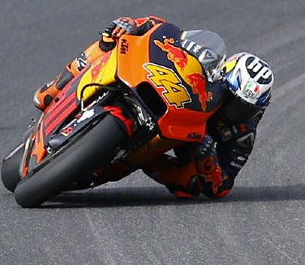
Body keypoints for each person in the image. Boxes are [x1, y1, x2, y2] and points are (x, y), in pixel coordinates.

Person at [33, 16, 273, 199]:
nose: (236, 112)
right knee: (111, 42)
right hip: (169, 97)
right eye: (234, 101)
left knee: (190, 186)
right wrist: (130, 25)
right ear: (223, 78)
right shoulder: (208, 66)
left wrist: (209, 162)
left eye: (246, 108)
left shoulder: (243, 134)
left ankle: (125, 160)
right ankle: (55, 87)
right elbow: (159, 28)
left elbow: (222, 187)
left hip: (180, 139)